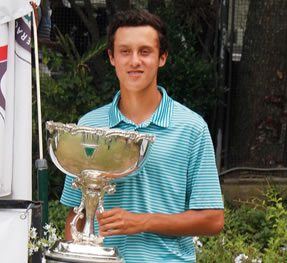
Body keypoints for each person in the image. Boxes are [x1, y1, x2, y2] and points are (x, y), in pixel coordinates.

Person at [59, 9, 224, 262]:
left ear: (162, 58)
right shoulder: (89, 125)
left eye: (145, 51)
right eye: (125, 51)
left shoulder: (191, 128)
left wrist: (142, 221)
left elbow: (212, 219)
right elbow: (76, 215)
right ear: (112, 58)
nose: (134, 61)